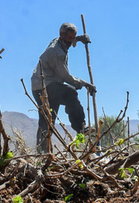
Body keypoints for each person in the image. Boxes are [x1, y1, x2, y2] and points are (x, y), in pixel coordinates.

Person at [31, 22, 96, 152]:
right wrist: (84, 84)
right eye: (69, 38)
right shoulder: (56, 52)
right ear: (61, 35)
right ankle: (81, 127)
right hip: (45, 86)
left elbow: (69, 41)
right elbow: (66, 77)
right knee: (70, 93)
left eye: (73, 38)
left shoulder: (58, 40)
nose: (70, 42)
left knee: (47, 121)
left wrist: (80, 39)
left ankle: (43, 153)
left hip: (43, 86)